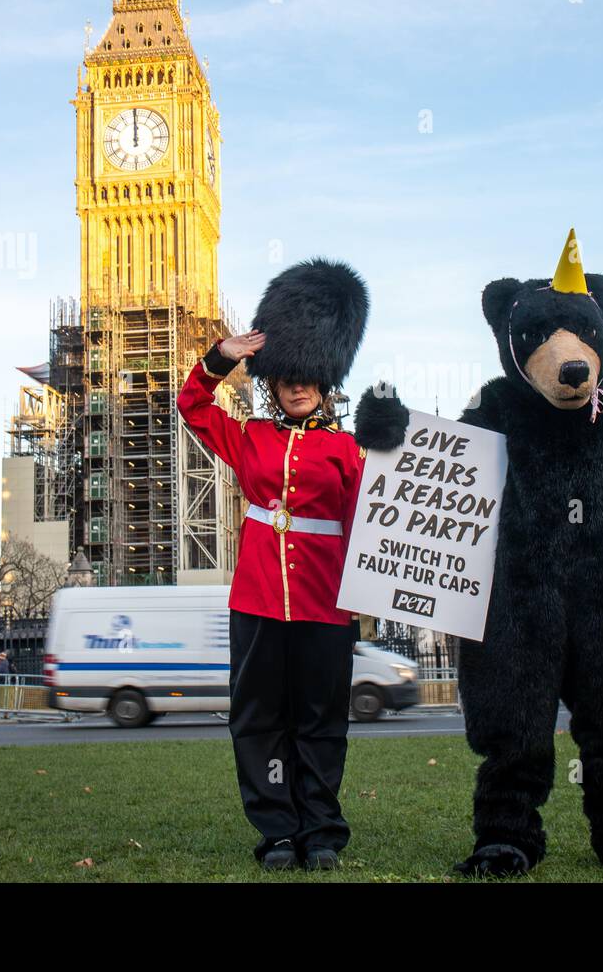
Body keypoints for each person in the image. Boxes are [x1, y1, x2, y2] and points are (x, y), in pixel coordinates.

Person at [176, 258, 372, 873]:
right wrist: (221, 355)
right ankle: (277, 832)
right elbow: (192, 403)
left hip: (324, 603)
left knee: (320, 722)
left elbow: (377, 519)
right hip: (258, 601)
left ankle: (321, 831)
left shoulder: (346, 449)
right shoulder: (251, 437)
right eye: (286, 375)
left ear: (326, 378)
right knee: (259, 720)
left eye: (307, 375)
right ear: (274, 379)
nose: (296, 386)